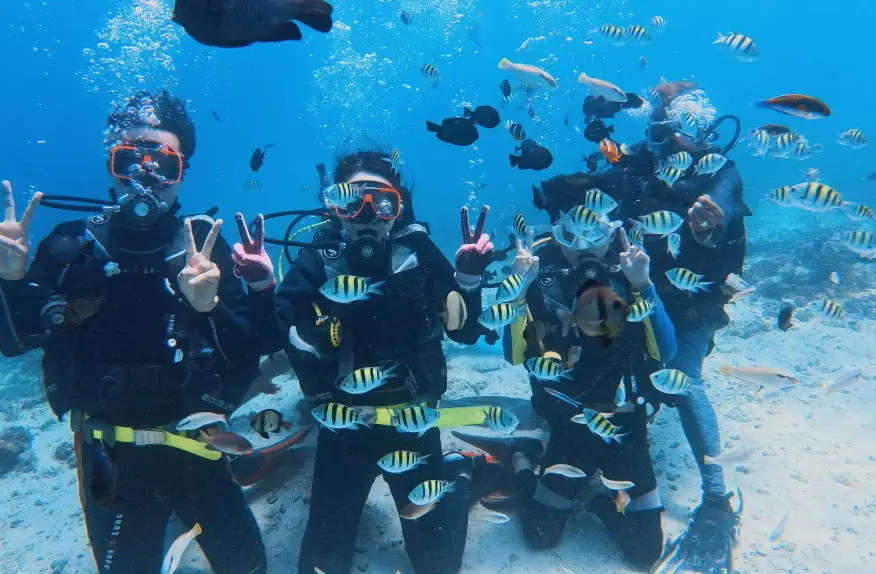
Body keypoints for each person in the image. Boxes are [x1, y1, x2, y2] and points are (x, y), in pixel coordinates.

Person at [0, 89, 279, 574]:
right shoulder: (72, 244)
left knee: (246, 566)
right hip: (107, 452)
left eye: (164, 164)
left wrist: (209, 307)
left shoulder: (203, 245)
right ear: (111, 167)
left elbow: (249, 348)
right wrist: (9, 279)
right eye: (129, 159)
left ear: (182, 173)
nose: (146, 175)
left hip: (198, 444)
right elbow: (15, 342)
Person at [273, 149, 492, 574]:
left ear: (398, 207)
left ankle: (462, 477)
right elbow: (275, 324)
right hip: (342, 432)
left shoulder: (419, 253)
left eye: (383, 201)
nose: (368, 214)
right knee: (321, 565)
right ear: (335, 209)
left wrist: (467, 280)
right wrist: (261, 284)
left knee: (438, 565)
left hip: (413, 424)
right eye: (353, 201)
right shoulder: (320, 258)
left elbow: (463, 331)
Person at [591, 81, 751, 570]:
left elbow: (723, 202)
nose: (666, 137)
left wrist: (712, 220)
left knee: (682, 379)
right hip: (633, 298)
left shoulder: (718, 170)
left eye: (674, 126)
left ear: (698, 126)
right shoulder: (638, 163)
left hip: (690, 308)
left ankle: (718, 499)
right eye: (658, 127)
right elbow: (601, 197)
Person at [499, 178, 678, 571]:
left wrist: (643, 285)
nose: (583, 247)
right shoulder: (540, 281)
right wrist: (516, 290)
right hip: (570, 421)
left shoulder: (631, 270)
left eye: (594, 231)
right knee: (539, 536)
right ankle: (524, 459)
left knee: (646, 553)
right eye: (570, 234)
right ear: (556, 234)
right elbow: (515, 355)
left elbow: (666, 351)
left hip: (627, 423)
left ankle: (599, 498)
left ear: (610, 231)